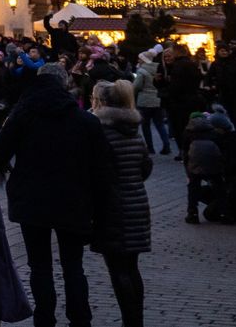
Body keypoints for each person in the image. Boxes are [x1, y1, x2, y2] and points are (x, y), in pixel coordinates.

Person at [0, 63, 117, 327]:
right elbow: (104, 168)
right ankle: (80, 318)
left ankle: (44, 318)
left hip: (31, 200)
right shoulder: (85, 120)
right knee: (73, 265)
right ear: (64, 83)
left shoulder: (23, 115)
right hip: (73, 199)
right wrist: (102, 210)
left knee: (39, 265)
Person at [90, 80, 151, 327]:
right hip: (137, 202)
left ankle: (130, 321)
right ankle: (136, 319)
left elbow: (98, 173)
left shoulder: (102, 133)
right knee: (131, 267)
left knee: (118, 269)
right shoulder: (133, 130)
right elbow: (145, 167)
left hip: (112, 207)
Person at [132, 50, 172, 155]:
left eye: (140, 58)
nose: (138, 60)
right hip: (158, 99)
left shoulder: (141, 71)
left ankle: (150, 148)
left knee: (145, 125)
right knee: (160, 124)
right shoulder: (160, 68)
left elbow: (136, 86)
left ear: (144, 59)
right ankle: (166, 145)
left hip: (144, 101)